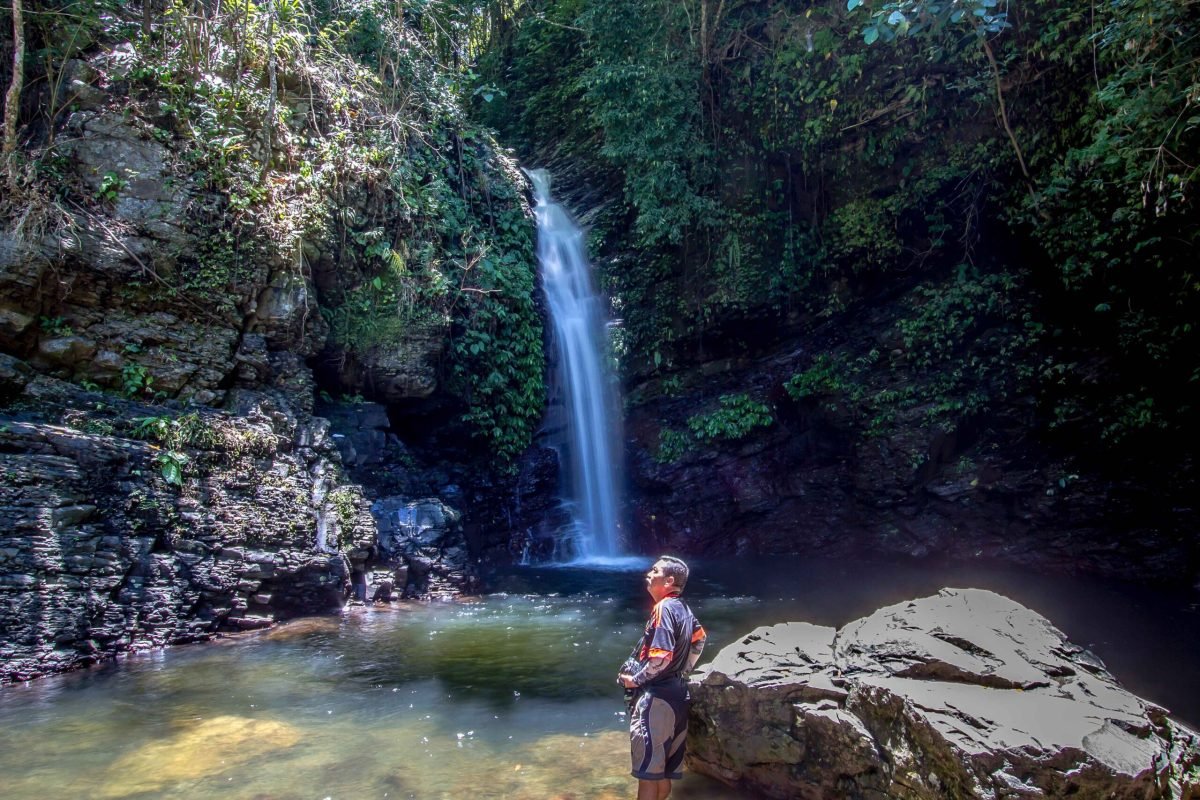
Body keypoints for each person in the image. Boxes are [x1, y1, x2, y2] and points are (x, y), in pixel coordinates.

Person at [618, 556, 707, 800]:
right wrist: (685, 669)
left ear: (669, 580)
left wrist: (635, 680)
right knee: (665, 772)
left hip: (658, 700)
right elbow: (700, 640)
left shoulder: (663, 608)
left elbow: (660, 659)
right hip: (679, 695)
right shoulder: (684, 609)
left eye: (655, 570)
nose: (649, 572)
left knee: (648, 774)